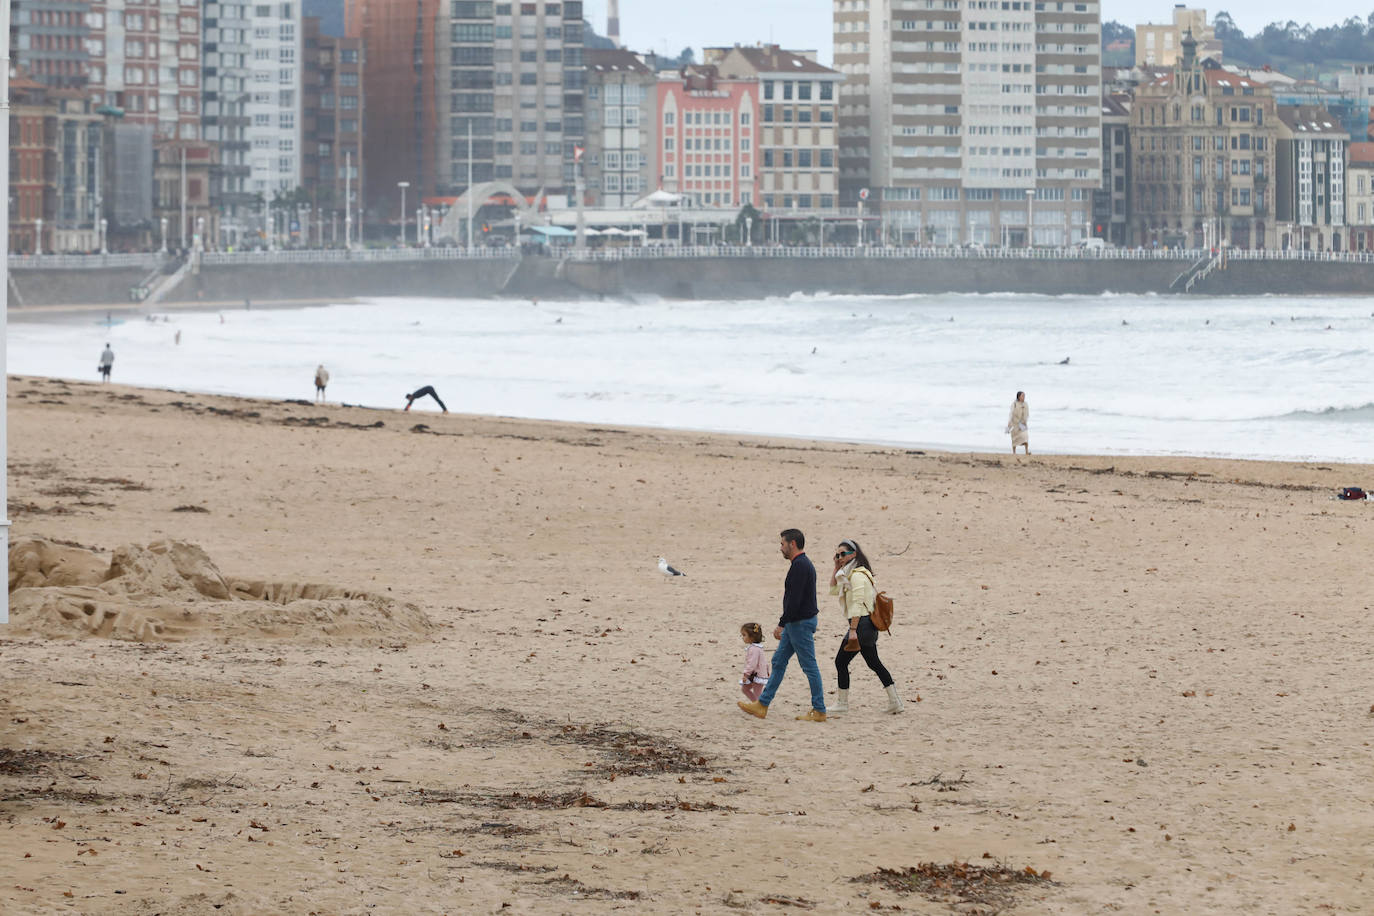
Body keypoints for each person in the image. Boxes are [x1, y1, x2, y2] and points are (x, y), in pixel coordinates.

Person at [738, 529, 827, 722]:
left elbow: (795, 600)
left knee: (809, 666)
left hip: (799, 623)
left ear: (792, 543)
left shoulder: (800, 566)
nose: (781, 548)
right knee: (778, 662)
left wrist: (782, 624)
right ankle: (762, 704)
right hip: (797, 622)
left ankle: (819, 709)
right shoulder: (801, 564)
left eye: (782, 544)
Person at [829, 539, 903, 715]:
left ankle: (842, 703)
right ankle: (895, 701)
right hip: (866, 627)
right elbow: (833, 590)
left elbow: (858, 605)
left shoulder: (857, 576)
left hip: (861, 626)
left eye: (843, 554)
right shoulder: (849, 574)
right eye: (837, 554)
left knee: (841, 662)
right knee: (874, 663)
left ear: (853, 554)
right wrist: (835, 567)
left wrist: (853, 631)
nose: (840, 557)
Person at [739, 623, 770, 702]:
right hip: (753, 675)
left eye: (744, 635)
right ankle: (755, 705)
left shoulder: (754, 649)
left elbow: (752, 664)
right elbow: (764, 662)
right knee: (745, 689)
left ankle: (759, 706)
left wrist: (746, 674)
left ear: (752, 637)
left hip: (757, 675)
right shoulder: (756, 647)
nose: (742, 637)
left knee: (757, 694)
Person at [1006, 390, 1029, 455]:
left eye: (1024, 396)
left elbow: (1027, 414)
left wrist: (1025, 421)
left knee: (1025, 437)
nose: (1024, 397)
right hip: (1014, 423)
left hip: (1022, 424)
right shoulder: (1014, 404)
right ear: (1018, 397)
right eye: (1022, 396)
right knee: (1014, 439)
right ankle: (1014, 452)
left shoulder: (1025, 404)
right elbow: (1011, 413)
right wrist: (1009, 422)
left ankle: (1026, 451)